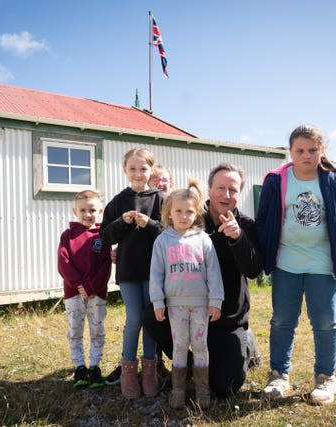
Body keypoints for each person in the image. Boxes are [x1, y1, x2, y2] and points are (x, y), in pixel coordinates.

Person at [256, 124, 336, 405]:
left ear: (321, 150)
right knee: (282, 322)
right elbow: (263, 219)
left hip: (323, 266)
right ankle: (279, 376)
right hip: (286, 264)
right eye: (300, 150)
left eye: (312, 150)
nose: (306, 155)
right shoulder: (276, 181)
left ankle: (326, 378)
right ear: (290, 151)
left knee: (326, 323)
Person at [143, 162, 263, 398]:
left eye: (233, 189)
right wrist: (121, 251)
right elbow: (162, 241)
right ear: (209, 190)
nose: (226, 195)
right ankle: (187, 365)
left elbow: (254, 269)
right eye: (220, 188)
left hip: (225, 318)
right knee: (151, 316)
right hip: (184, 308)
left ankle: (247, 344)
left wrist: (238, 238)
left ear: (240, 193)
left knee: (224, 386)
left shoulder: (247, 225)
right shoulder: (192, 218)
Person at [149, 179, 224, 409]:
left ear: (196, 213)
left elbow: (213, 272)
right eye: (178, 211)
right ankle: (178, 390)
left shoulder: (203, 239)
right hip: (175, 305)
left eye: (189, 211)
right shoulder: (162, 241)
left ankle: (202, 391)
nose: (183, 216)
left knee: (200, 345)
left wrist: (215, 300)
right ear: (169, 213)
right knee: (180, 345)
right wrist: (157, 301)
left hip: (200, 304)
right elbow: (156, 273)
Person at [100, 148, 165, 399]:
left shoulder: (160, 198)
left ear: (151, 170)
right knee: (134, 318)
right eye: (133, 169)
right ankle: (128, 372)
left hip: (154, 272)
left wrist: (148, 224)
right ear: (125, 170)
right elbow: (105, 237)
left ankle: (149, 372)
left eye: (143, 168)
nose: (138, 173)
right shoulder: (118, 201)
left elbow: (169, 233)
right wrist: (122, 222)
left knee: (150, 318)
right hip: (128, 271)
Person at [57, 190, 112, 389]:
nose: (88, 214)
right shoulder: (68, 236)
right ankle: (80, 367)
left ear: (100, 211)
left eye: (92, 210)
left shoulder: (103, 236)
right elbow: (64, 263)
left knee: (97, 330)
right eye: (83, 210)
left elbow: (105, 267)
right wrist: (79, 285)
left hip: (97, 294)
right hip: (73, 293)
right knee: (75, 330)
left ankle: (95, 367)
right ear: (75, 211)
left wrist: (90, 287)